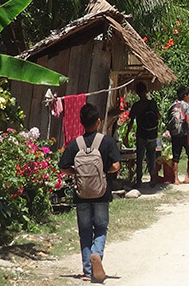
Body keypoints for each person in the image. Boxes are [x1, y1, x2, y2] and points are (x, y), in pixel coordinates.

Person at [58, 104, 121, 283]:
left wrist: (77, 172)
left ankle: (87, 270)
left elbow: (63, 168)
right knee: (100, 227)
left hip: (81, 195)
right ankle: (96, 254)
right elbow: (116, 166)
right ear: (99, 121)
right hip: (101, 193)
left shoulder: (74, 144)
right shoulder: (107, 141)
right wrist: (102, 172)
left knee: (85, 230)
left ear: (81, 122)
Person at [122, 82, 159, 185]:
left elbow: (131, 121)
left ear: (137, 92)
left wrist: (126, 135)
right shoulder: (152, 103)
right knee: (151, 155)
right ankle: (153, 177)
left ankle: (139, 180)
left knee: (140, 156)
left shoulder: (136, 106)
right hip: (152, 133)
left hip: (141, 134)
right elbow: (159, 116)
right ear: (146, 91)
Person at [168, 86, 189, 184]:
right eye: (188, 95)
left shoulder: (172, 105)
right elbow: (188, 120)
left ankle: (176, 179)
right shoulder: (187, 106)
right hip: (185, 134)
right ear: (185, 95)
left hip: (175, 134)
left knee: (176, 156)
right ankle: (187, 176)